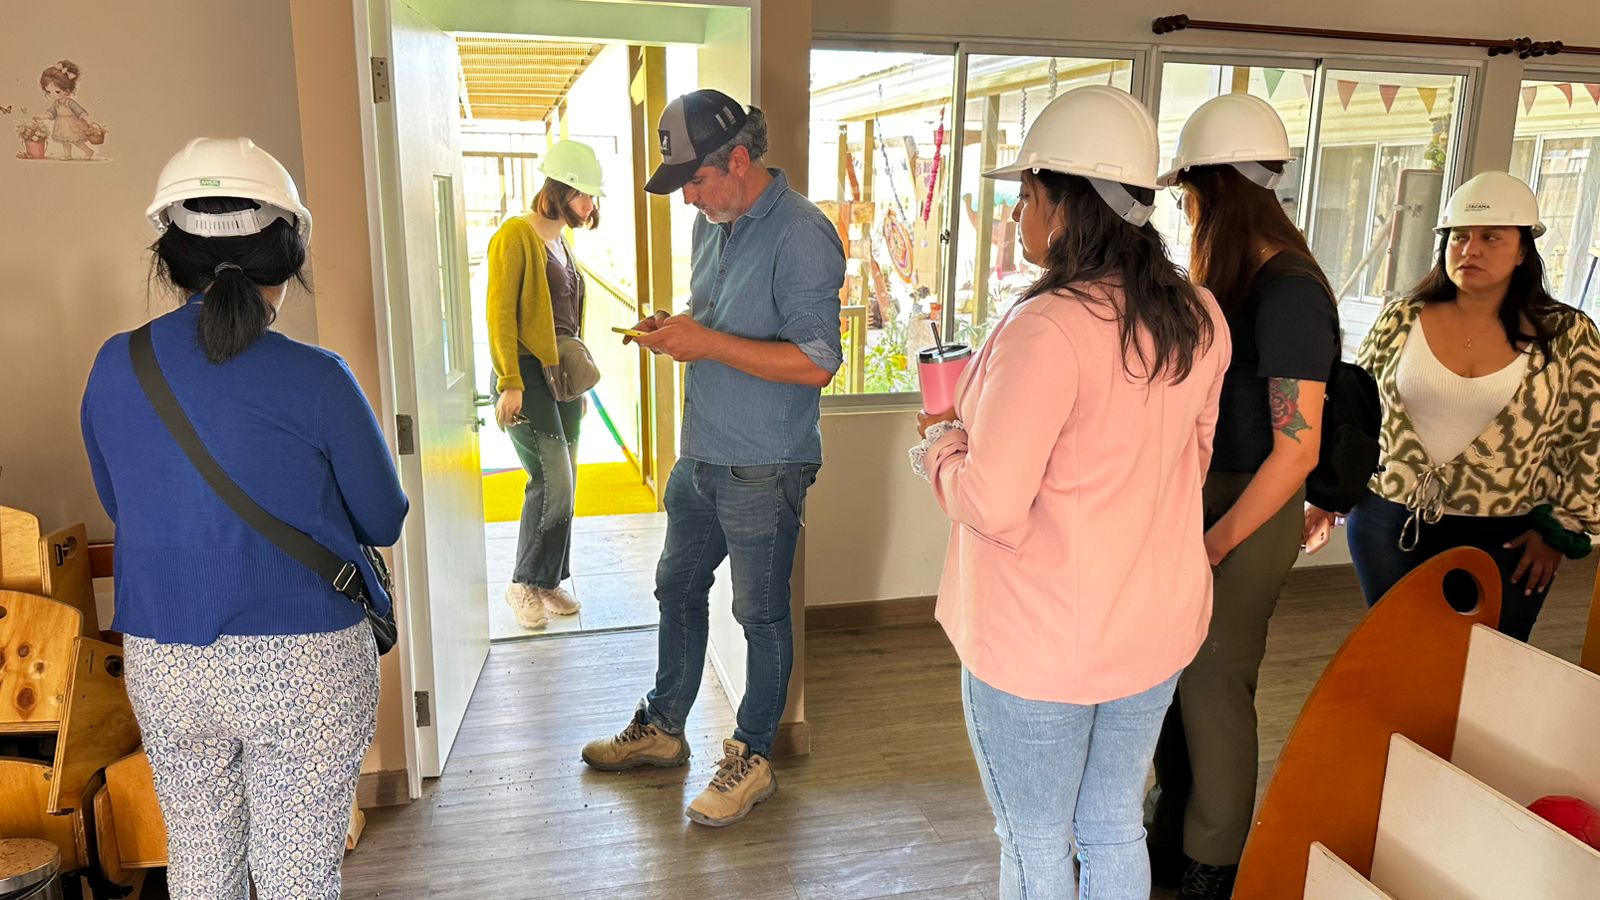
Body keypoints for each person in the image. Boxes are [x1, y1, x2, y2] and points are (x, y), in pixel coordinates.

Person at [909, 85, 1229, 900]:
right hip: (1152, 625)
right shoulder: (1199, 315)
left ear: (1066, 205)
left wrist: (940, 442)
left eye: (1026, 195)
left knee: (1034, 839)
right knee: (1113, 824)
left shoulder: (1047, 327)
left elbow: (991, 502)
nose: (1018, 214)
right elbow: (1191, 463)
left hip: (1039, 639)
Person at [79, 137, 408, 899]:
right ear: (288, 257)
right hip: (305, 658)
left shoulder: (115, 363)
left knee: (199, 858)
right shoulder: (317, 376)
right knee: (296, 873)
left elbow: (121, 504)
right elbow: (382, 519)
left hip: (166, 657)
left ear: (169, 258)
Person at [579, 89, 844, 828]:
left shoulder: (802, 234)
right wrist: (680, 327)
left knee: (759, 613)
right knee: (676, 586)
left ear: (739, 160)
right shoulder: (713, 223)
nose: (689, 198)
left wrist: (707, 342)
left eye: (695, 180)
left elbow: (818, 362)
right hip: (701, 453)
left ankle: (752, 756)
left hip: (765, 462)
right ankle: (665, 729)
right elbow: (723, 323)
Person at [1145, 93, 1340, 899]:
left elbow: (1297, 451)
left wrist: (1215, 543)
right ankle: (1170, 831)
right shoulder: (1232, 281)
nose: (1187, 214)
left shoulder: (1289, 290)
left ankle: (1214, 861)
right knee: (1170, 678)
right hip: (1200, 498)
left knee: (1215, 683)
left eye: (1190, 197)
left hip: (1248, 509)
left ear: (1216, 191)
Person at [1307, 171, 1600, 640]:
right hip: (1389, 522)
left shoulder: (1567, 334)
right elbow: (1355, 415)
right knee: (1399, 655)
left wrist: (1561, 528)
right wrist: (1327, 497)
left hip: (1509, 535)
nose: (1470, 249)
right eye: (1459, 236)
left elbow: (1590, 436)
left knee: (1486, 663)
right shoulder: (1401, 317)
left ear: (1523, 251)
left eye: (1491, 237)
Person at [487, 139, 605, 631]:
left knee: (567, 481)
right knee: (552, 478)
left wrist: (579, 383)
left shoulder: (562, 244)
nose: (589, 205)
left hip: (561, 377)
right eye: (583, 194)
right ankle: (523, 582)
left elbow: (566, 321)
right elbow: (499, 314)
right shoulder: (516, 235)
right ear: (557, 189)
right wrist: (509, 382)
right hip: (525, 374)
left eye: (593, 197)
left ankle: (548, 579)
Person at [37, 59, 98, 160]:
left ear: (67, 90)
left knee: (76, 141)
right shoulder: (56, 103)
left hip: (72, 124)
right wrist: (41, 117)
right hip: (61, 124)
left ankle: (88, 151)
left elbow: (79, 111)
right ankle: (67, 155)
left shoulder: (70, 102)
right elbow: (51, 113)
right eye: (49, 92)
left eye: (57, 92)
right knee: (64, 141)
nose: (52, 95)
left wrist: (88, 120)